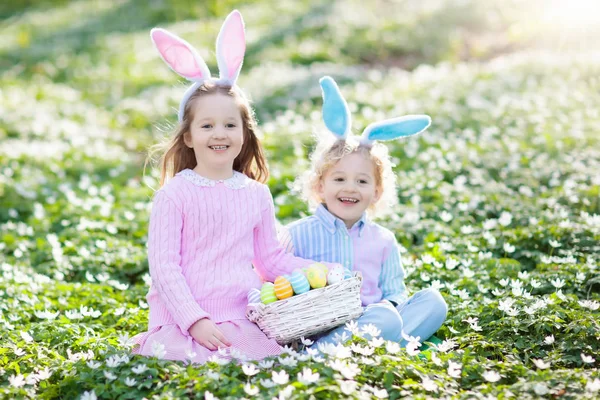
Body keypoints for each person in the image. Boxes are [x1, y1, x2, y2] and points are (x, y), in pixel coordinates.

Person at [132, 11, 341, 364]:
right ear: (189, 136)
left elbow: (271, 258)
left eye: (230, 124)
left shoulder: (255, 194)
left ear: (244, 135)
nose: (219, 134)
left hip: (241, 318)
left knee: (263, 367)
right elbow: (164, 267)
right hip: (184, 322)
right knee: (190, 370)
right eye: (207, 125)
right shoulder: (174, 195)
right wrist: (194, 320)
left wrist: (324, 271)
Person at [280, 76, 448, 347]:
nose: (351, 188)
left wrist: (383, 310)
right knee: (387, 321)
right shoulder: (296, 234)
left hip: (375, 321)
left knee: (432, 303)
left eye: (362, 181)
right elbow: (281, 287)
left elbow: (395, 294)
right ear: (320, 185)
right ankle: (324, 353)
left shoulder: (383, 240)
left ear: (377, 191)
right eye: (339, 179)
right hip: (319, 331)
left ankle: (377, 343)